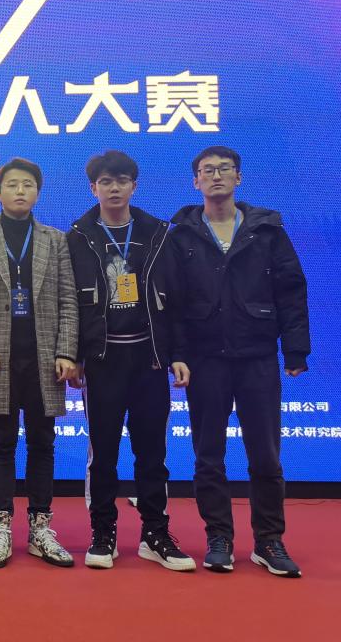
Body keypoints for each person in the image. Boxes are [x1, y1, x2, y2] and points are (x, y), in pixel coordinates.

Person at [169, 146, 309, 578]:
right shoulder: (181, 235)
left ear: (238, 178)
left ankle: (269, 541)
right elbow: (173, 302)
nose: (216, 176)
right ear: (195, 181)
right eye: (207, 171)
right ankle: (219, 539)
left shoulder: (267, 230)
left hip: (258, 356)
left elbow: (291, 290)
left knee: (266, 456)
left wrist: (296, 349)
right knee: (208, 456)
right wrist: (177, 355)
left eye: (224, 169)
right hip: (205, 359)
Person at [66, 151, 195, 571]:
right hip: (103, 361)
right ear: (94, 188)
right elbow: (69, 304)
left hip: (148, 360)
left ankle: (155, 535)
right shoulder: (78, 236)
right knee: (102, 453)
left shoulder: (158, 233)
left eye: (122, 180)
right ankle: (103, 533)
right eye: (106, 181)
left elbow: (176, 301)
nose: (114, 188)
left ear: (134, 186)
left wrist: (178, 354)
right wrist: (74, 355)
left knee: (152, 453)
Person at [0, 158, 78, 569]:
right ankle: (1, 528)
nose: (20, 191)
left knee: (43, 444)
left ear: (38, 192)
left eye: (28, 184)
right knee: (2, 445)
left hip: (44, 360)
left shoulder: (54, 240)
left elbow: (68, 300)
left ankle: (41, 528)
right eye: (12, 184)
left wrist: (66, 351)